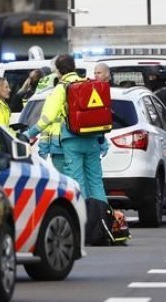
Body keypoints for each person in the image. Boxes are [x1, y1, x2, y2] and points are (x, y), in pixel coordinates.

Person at [24, 54, 108, 203]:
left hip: (72, 141)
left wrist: (28, 133)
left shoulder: (60, 89)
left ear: (58, 71)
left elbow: (47, 118)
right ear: (74, 67)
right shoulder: (88, 84)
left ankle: (84, 222)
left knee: (77, 182)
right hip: (92, 140)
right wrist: (102, 140)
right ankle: (104, 220)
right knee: (95, 182)